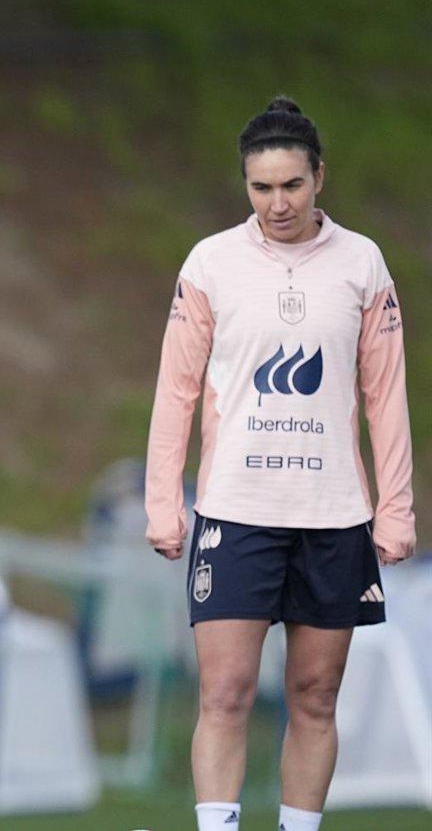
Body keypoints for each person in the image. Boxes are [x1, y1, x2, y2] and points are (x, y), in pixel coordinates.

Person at [144, 97, 415, 831]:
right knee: (226, 691)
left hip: (333, 516)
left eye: (291, 185)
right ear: (246, 186)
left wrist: (395, 509)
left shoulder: (362, 264)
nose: (277, 203)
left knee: (315, 696)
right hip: (237, 509)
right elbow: (177, 388)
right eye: (261, 188)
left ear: (319, 178)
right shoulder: (212, 262)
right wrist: (163, 502)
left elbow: (385, 393)